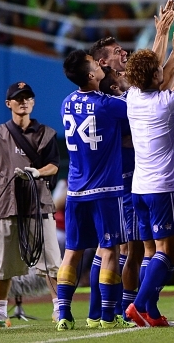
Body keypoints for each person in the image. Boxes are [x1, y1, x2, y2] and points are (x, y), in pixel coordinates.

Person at [124, 25, 174, 328]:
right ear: (154, 78)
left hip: (139, 188)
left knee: (152, 251)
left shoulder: (132, 98)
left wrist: (164, 37)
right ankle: (139, 305)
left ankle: (149, 311)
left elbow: (155, 69)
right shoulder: (168, 104)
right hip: (162, 189)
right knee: (169, 250)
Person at [0, 82, 61, 325]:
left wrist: (36, 172)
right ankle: (0, 312)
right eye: (18, 98)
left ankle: (59, 308)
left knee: (52, 262)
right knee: (4, 263)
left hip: (39, 205)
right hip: (7, 206)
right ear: (8, 103)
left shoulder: (46, 133)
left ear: (33, 102)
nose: (23, 101)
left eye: (28, 97)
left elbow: (54, 165)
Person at [57, 50, 129, 330]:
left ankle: (63, 313)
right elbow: (134, 109)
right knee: (110, 249)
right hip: (106, 190)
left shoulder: (66, 103)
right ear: (90, 75)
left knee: (72, 252)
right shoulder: (107, 105)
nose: (100, 65)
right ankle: (107, 316)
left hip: (76, 190)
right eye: (94, 64)